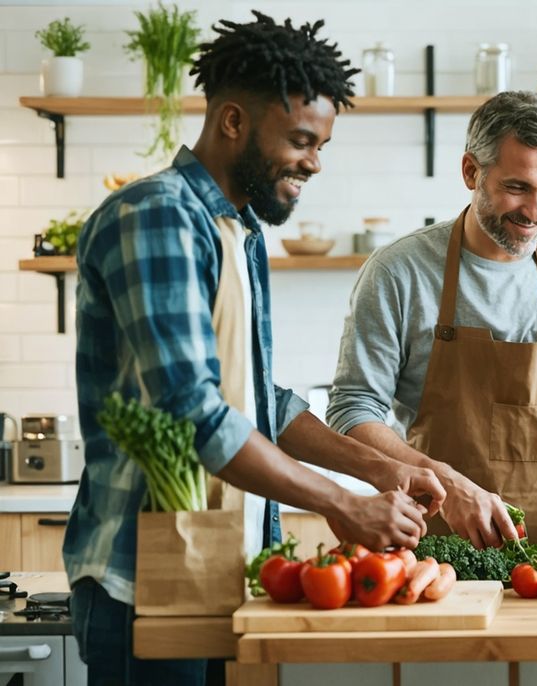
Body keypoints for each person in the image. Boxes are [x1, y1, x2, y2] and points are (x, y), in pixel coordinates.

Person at [65, 13, 444, 685]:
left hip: (225, 569)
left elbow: (256, 395)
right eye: (301, 139)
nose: (314, 162)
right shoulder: (155, 216)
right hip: (141, 578)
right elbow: (194, 410)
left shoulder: (237, 228)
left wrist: (376, 472)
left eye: (321, 143)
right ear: (233, 122)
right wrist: (340, 502)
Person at [328, 91, 537, 553]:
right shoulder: (399, 271)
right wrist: (446, 482)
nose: (536, 212)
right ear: (470, 172)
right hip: (432, 559)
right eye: (517, 187)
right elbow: (352, 410)